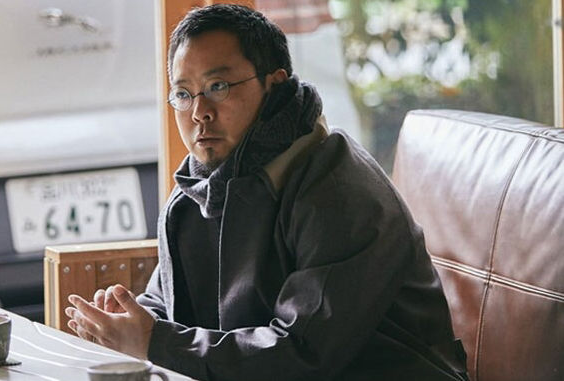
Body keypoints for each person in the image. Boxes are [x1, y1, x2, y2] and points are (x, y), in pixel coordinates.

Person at [65, 4, 469, 380]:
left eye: (218, 86)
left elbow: (301, 355)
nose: (199, 112)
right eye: (184, 93)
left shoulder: (337, 192)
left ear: (274, 85)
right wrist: (128, 321)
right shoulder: (203, 184)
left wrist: (155, 342)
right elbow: (169, 304)